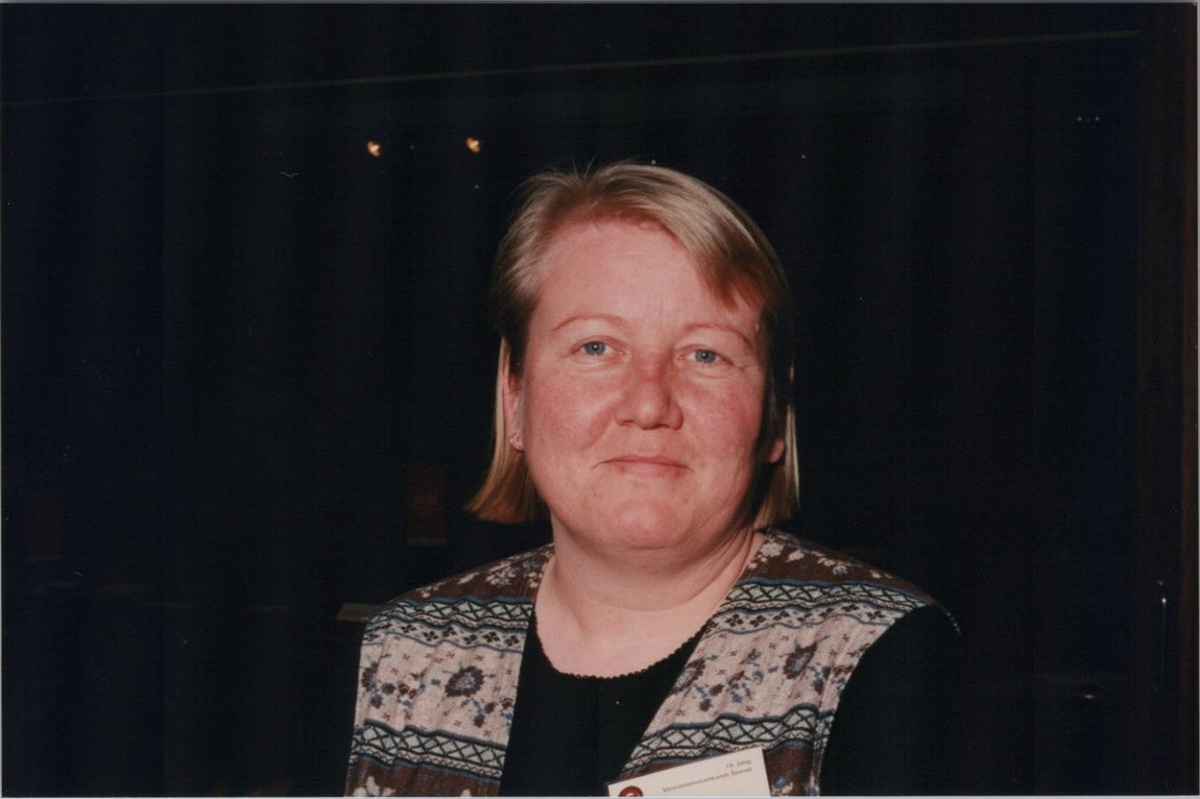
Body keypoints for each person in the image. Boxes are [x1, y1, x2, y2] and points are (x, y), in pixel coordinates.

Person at [346, 162, 960, 796]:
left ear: (773, 417)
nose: (648, 405)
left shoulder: (882, 661)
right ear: (515, 395)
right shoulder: (401, 653)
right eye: (595, 347)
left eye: (706, 354)